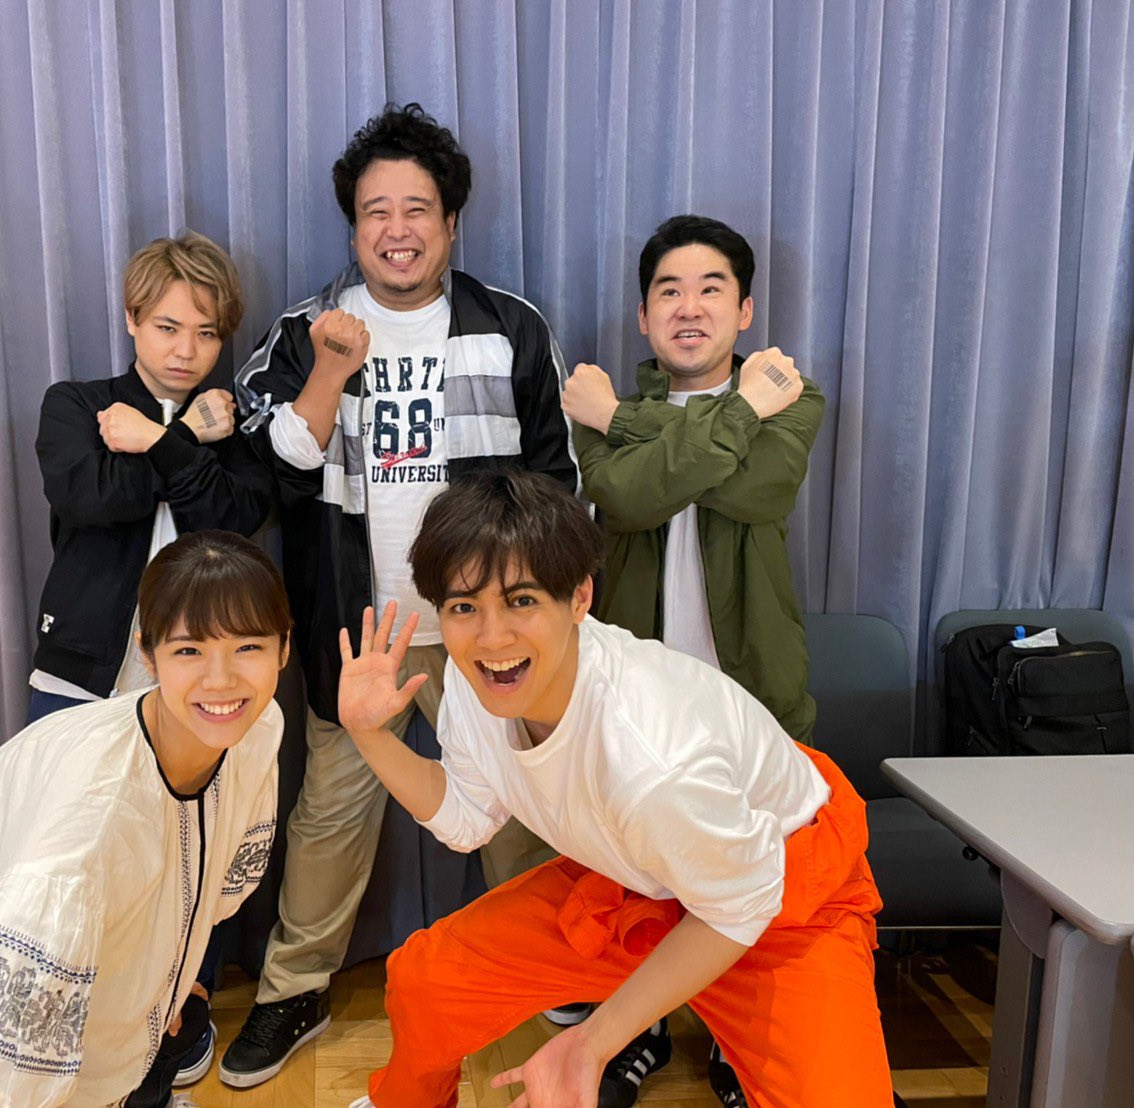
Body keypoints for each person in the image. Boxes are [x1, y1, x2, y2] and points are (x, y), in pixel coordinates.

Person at [339, 470, 893, 1108]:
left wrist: (594, 1041)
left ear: (579, 597)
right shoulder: (480, 678)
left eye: (521, 601)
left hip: (777, 895)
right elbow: (468, 817)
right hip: (650, 876)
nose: (492, 638)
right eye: (465, 607)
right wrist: (370, 737)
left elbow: (740, 904)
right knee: (427, 980)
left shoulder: (652, 756)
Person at [222, 103, 576, 1085]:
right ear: (352, 229)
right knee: (330, 815)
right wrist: (331, 370)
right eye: (376, 210)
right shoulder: (304, 332)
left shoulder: (509, 326)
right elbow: (269, 470)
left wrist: (533, 610)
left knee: (522, 802)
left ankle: (546, 966)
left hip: (487, 629)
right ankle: (293, 989)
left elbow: (557, 479)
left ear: (450, 223)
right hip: (357, 624)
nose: (397, 228)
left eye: (417, 208)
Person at [0, 532, 291, 1107]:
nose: (221, 680)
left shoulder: (259, 727)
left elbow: (203, 880)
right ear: (147, 655)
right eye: (189, 651)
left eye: (248, 647)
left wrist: (167, 981)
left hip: (35, 968)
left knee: (161, 1029)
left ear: (284, 648)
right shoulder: (94, 809)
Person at [562, 214, 825, 1104]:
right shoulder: (599, 400)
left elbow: (759, 491)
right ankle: (631, 1033)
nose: (689, 307)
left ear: (744, 310)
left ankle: (733, 1040)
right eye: (668, 291)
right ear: (643, 316)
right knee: (633, 873)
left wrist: (625, 422)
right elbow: (628, 499)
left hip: (750, 687)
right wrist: (735, 413)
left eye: (712, 288)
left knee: (752, 875)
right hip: (634, 690)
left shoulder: (793, 393)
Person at [29, 230, 271, 724]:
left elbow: (234, 520)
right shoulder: (77, 405)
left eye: (206, 333)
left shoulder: (229, 424)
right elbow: (91, 500)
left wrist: (159, 441)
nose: (186, 350)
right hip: (81, 675)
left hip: (204, 684)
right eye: (167, 327)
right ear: (132, 319)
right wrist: (184, 434)